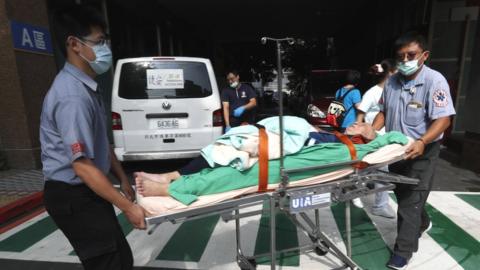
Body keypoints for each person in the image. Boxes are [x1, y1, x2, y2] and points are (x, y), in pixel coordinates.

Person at [40, 6, 145, 270]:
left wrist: (123, 179)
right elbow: (82, 165)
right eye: (99, 42)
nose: (105, 48)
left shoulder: (88, 88)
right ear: (74, 44)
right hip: (72, 195)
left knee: (120, 258)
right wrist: (128, 207)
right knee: (110, 263)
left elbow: (100, 144)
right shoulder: (72, 97)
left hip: (88, 190)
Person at [372, 32, 456, 270]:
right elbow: (383, 112)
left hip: (424, 150)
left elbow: (444, 120)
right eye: (401, 56)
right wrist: (369, 131)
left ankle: (403, 252)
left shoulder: (434, 81)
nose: (406, 60)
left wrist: (421, 141)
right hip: (396, 149)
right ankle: (422, 222)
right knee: (403, 193)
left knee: (410, 200)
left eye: (411, 55)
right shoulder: (393, 81)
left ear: (424, 56)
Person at [135, 122, 378, 197]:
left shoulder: (342, 148)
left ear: (363, 139)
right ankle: (171, 178)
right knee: (226, 148)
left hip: (282, 154)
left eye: (363, 126)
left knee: (228, 170)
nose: (358, 122)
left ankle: (171, 185)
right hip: (283, 146)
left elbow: (390, 140)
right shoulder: (333, 136)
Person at [356, 59, 398, 218]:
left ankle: (379, 204)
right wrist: (359, 137)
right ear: (391, 73)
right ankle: (372, 201)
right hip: (372, 139)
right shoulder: (372, 93)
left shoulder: (394, 90)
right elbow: (360, 115)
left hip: (386, 138)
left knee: (379, 170)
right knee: (373, 169)